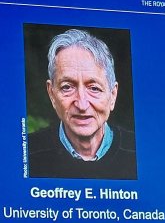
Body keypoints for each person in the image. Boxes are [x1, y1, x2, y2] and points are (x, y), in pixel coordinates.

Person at [28, 29, 136, 180]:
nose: (82, 104)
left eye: (94, 88)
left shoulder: (140, 152)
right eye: (67, 87)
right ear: (51, 94)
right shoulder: (26, 153)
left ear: (112, 95)